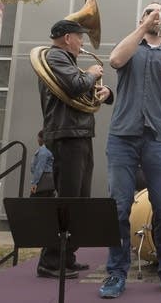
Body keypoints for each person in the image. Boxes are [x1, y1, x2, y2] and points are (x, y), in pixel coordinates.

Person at [98, 2, 161, 298]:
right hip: (122, 137)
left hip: (158, 139)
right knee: (118, 207)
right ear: (141, 19)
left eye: (160, 12)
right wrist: (142, 27)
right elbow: (114, 60)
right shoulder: (131, 45)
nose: (155, 15)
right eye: (150, 12)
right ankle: (116, 274)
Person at [36, 19, 113, 279]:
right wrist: (91, 73)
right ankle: (51, 261)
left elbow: (78, 92)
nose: (83, 43)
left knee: (78, 200)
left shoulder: (64, 60)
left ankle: (66, 257)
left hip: (77, 133)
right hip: (67, 135)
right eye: (80, 37)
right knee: (68, 200)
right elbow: (73, 86)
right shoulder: (56, 56)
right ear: (68, 38)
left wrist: (102, 91)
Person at [30, 130, 55, 197]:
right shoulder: (51, 149)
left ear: (42, 138)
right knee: (47, 205)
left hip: (42, 181)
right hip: (50, 183)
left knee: (33, 204)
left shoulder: (43, 150)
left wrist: (35, 183)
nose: (37, 140)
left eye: (38, 138)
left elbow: (39, 168)